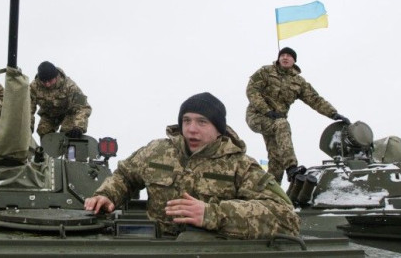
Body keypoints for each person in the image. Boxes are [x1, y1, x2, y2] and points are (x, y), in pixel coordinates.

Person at [85, 92, 300, 239]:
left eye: (202, 122)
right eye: (186, 121)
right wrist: (108, 194)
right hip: (155, 249)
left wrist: (213, 214)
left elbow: (286, 217)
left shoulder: (240, 166)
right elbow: (125, 176)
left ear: (218, 129)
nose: (191, 129)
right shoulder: (157, 151)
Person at [246, 47, 351, 183]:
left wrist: (334, 114)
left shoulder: (298, 82)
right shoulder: (266, 71)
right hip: (257, 116)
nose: (285, 57)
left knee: (277, 161)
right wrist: (266, 110)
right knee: (282, 124)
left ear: (294, 61)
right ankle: (291, 167)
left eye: (289, 56)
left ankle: (271, 194)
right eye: (282, 55)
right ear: (278, 58)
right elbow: (251, 90)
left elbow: (314, 99)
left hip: (276, 123)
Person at [29, 61, 91, 138]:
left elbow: (83, 107)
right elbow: (28, 109)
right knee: (43, 131)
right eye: (44, 82)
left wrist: (78, 127)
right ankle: (48, 149)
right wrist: (27, 129)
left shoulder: (70, 86)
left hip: (69, 113)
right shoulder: (34, 87)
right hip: (50, 115)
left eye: (50, 81)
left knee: (67, 132)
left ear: (56, 77)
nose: (47, 84)